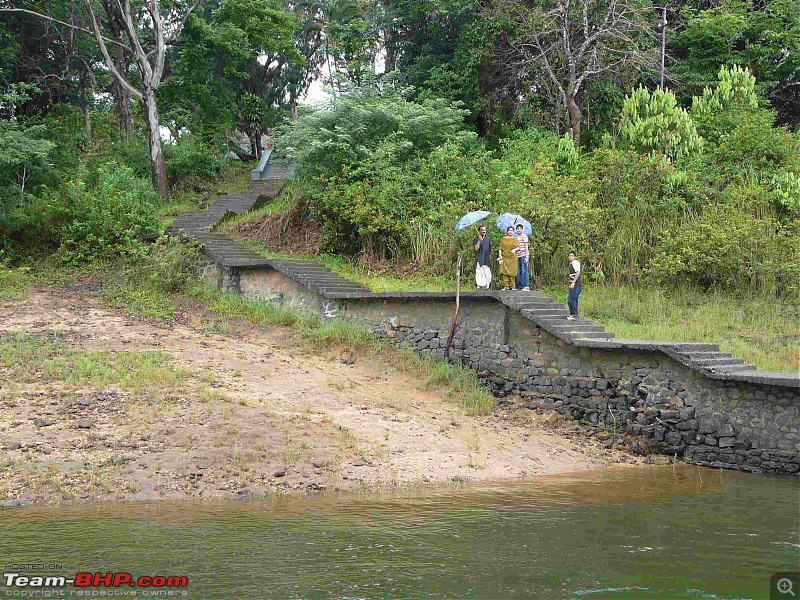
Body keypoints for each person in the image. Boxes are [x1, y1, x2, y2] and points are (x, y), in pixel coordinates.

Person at [473, 225, 492, 290]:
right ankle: (478, 286)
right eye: (482, 230)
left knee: (487, 272)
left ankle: (487, 286)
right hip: (479, 258)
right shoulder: (475, 239)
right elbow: (476, 249)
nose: (484, 231)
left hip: (486, 258)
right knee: (479, 272)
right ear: (479, 231)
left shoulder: (488, 239)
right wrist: (479, 241)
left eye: (485, 230)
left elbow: (489, 249)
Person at [567, 251, 582, 320]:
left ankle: (574, 314)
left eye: (572, 256)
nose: (570, 257)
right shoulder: (571, 263)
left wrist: (573, 282)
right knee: (574, 299)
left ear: (575, 257)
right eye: (569, 256)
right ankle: (574, 314)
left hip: (576, 284)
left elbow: (578, 272)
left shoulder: (575, 262)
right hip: (574, 284)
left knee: (571, 299)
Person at [515, 224, 530, 291]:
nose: (519, 230)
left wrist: (526, 256)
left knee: (524, 270)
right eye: (518, 228)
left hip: (523, 255)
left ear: (522, 229)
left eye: (520, 228)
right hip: (517, 255)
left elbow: (526, 247)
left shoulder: (524, 236)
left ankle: (526, 285)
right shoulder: (516, 237)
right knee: (519, 271)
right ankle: (520, 286)